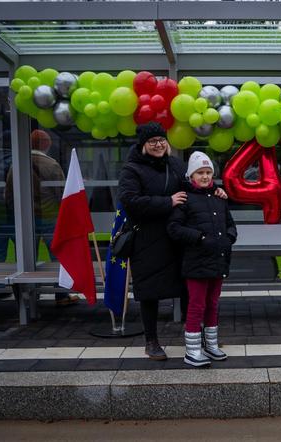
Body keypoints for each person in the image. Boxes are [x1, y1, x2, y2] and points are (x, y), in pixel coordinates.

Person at [117, 123, 228, 360]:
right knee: (150, 291)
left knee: (189, 288)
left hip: (177, 238)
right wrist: (167, 202)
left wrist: (214, 189)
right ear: (143, 145)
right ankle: (152, 341)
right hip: (147, 239)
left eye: (161, 140)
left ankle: (193, 339)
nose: (158, 144)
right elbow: (130, 201)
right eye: (152, 141)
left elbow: (194, 185)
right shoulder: (132, 169)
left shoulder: (175, 165)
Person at [167, 151, 237, 367]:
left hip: (218, 260)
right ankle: (193, 350)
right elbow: (174, 228)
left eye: (208, 172)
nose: (205, 176)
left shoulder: (219, 198)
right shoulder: (185, 200)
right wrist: (199, 238)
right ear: (191, 176)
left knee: (213, 304)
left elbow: (230, 224)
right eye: (200, 173)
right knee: (196, 305)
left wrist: (230, 237)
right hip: (196, 262)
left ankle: (211, 345)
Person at [5, 129, 79, 306]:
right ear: (46, 144)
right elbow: (62, 194)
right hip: (50, 218)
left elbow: (9, 194)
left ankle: (28, 298)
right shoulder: (52, 165)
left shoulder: (16, 165)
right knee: (58, 257)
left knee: (26, 259)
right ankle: (61, 295)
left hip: (27, 220)